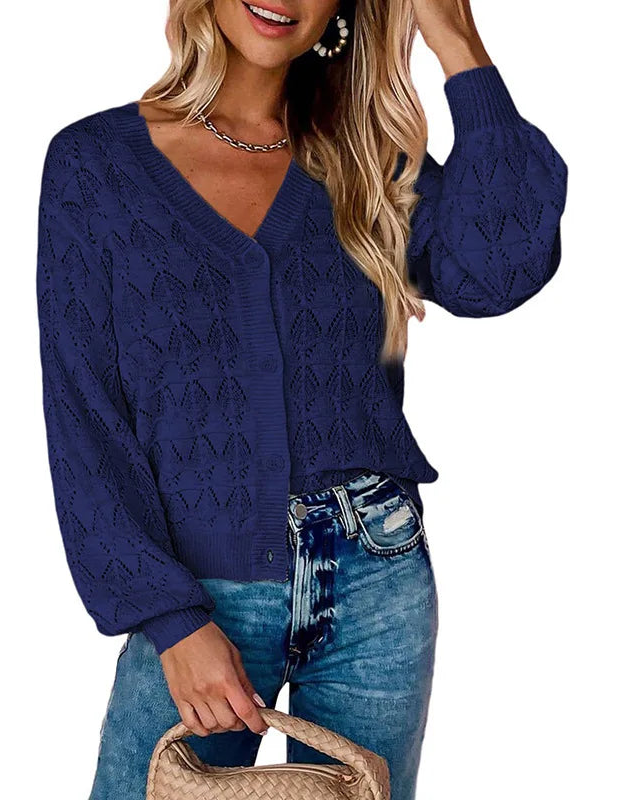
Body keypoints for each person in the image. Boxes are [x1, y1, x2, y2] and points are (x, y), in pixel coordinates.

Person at [35, 1, 568, 798]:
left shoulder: (367, 155)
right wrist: (172, 621)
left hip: (378, 578)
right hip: (202, 585)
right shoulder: (96, 166)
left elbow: (497, 270)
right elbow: (85, 415)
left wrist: (457, 41)